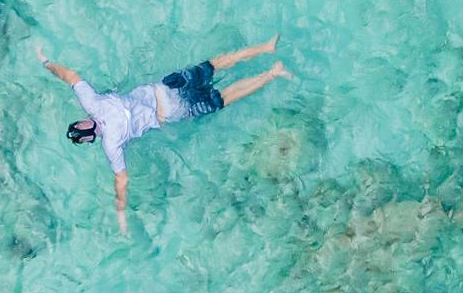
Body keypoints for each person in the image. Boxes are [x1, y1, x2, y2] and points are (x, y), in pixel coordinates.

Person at [35, 36, 292, 234]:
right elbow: (70, 76)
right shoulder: (93, 104)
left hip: (172, 108)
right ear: (83, 123)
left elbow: (121, 180)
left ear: (89, 138)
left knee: (224, 96)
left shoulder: (111, 144)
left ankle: (271, 72)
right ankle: (266, 50)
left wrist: (121, 211)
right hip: (166, 88)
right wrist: (47, 63)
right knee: (214, 66)